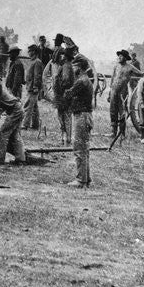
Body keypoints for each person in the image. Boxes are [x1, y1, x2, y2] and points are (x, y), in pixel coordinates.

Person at [66, 58, 95, 187]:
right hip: (86, 116)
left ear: (79, 67)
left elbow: (68, 94)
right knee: (85, 148)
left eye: (74, 66)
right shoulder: (86, 80)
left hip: (81, 117)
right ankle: (86, 178)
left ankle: (80, 180)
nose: (72, 68)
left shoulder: (81, 81)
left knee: (79, 148)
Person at [110, 50, 136, 141]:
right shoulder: (116, 66)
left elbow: (141, 74)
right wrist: (110, 93)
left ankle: (122, 133)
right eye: (119, 56)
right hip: (114, 91)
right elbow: (112, 78)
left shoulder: (130, 67)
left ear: (125, 58)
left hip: (123, 92)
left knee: (122, 112)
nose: (119, 58)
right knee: (113, 111)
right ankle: (113, 132)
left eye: (121, 56)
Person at [53, 48, 75, 145]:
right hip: (65, 95)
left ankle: (66, 139)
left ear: (65, 57)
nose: (61, 56)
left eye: (63, 55)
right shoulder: (68, 65)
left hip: (63, 96)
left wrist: (60, 89)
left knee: (64, 117)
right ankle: (66, 138)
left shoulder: (66, 66)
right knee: (65, 117)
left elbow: (65, 80)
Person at [22, 43, 43, 131]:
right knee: (34, 107)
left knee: (27, 105)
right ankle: (35, 125)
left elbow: (37, 76)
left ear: (34, 52)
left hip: (33, 88)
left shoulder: (37, 62)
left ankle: (25, 124)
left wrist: (35, 87)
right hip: (30, 86)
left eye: (29, 51)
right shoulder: (33, 61)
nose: (28, 53)